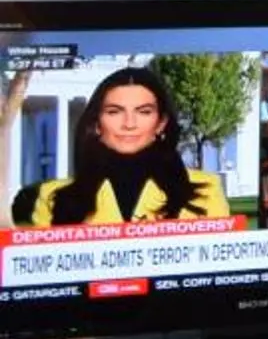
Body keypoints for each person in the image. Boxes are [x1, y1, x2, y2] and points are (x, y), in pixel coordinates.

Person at [8, 66, 231, 228]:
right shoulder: (52, 197)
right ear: (96, 123)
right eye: (114, 112)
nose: (129, 124)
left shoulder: (206, 189)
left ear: (161, 123)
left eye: (144, 112)